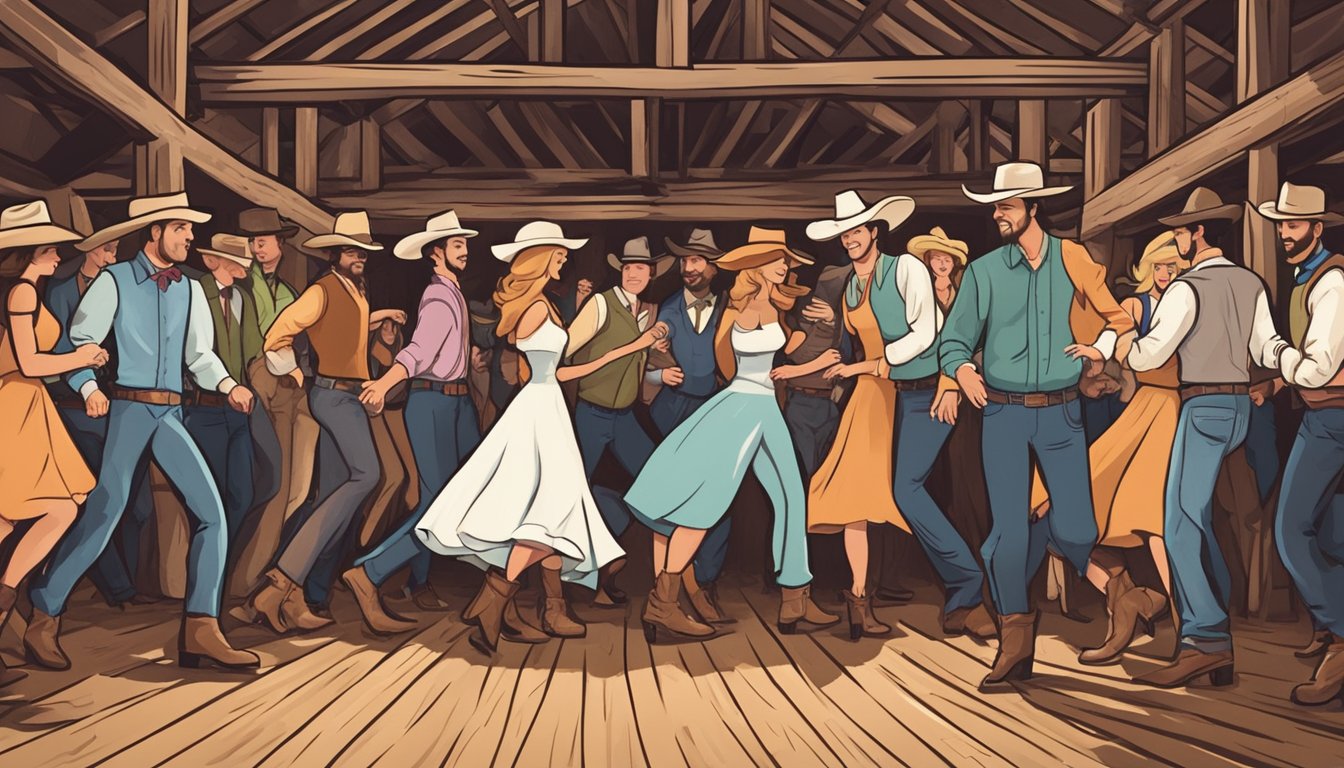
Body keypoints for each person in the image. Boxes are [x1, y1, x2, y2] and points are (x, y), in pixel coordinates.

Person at [27, 192, 260, 672]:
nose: (190, 237)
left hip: (170, 414)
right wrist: (89, 386)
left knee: (212, 514)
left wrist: (229, 384)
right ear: (154, 232)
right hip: (130, 409)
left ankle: (201, 628)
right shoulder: (114, 280)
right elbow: (81, 341)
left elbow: (199, 356)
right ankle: (43, 613)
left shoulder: (191, 288)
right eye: (181, 228)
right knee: (106, 512)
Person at [414, 221, 657, 656]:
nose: (564, 261)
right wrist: (626, 349)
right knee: (548, 514)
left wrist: (621, 352)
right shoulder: (537, 310)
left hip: (547, 406)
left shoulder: (544, 305)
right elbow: (545, 368)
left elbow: (559, 370)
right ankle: (496, 598)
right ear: (540, 259)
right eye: (558, 256)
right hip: (538, 411)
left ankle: (512, 606)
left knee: (551, 510)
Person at [939, 162, 1134, 691]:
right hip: (1001, 412)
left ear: (1033, 207)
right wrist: (961, 371)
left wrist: (1102, 350)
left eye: (1006, 205)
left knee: (1076, 529)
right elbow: (952, 340)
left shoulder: (1073, 260)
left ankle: (1119, 584)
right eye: (995, 206)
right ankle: (1015, 645)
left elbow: (1120, 319)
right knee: (1004, 533)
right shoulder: (982, 271)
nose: (997, 214)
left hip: (1061, 411)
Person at [626, 226, 841, 641]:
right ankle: (663, 604)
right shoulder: (748, 309)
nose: (785, 265)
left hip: (761, 407)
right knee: (704, 504)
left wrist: (818, 340)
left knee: (792, 496)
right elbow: (750, 363)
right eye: (778, 259)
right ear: (756, 265)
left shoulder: (769, 306)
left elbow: (785, 354)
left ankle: (795, 597)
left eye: (786, 260)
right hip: (744, 407)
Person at [806, 193, 994, 642]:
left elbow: (926, 330)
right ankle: (861, 595)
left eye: (858, 230)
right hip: (880, 395)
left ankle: (968, 585)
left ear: (875, 232)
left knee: (907, 489)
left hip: (925, 391)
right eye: (844, 233)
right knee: (863, 491)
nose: (851, 238)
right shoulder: (849, 285)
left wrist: (871, 366)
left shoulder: (905, 268)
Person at [1126, 187, 1287, 689]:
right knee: (1202, 517)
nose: (1175, 244)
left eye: (1180, 233)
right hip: (1240, 406)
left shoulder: (1185, 288)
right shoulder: (1251, 282)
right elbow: (1266, 346)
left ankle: (1206, 641)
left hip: (1203, 406)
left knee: (1178, 522)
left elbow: (1150, 356)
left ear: (1199, 234)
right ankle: (1214, 636)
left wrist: (1121, 344)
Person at [1028, 231, 1191, 664]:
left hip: (1163, 414)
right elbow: (1112, 341)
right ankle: (1126, 598)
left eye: (1173, 268)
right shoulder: (1134, 305)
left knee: (1158, 522)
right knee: (1067, 509)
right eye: (1159, 266)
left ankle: (1184, 625)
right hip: (1137, 408)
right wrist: (1097, 363)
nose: (1165, 275)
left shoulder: (1188, 302)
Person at [242, 211, 406, 634]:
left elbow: (343, 331)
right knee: (367, 476)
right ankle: (280, 582)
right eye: (352, 251)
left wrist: (376, 317)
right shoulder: (322, 290)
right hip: (333, 396)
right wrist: (291, 370)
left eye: (363, 252)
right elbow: (278, 334)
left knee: (332, 495)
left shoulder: (355, 291)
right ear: (334, 254)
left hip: (349, 393)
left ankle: (292, 594)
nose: (360, 258)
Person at [343, 211, 495, 635]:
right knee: (439, 505)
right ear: (436, 253)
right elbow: (418, 351)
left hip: (457, 403)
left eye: (466, 244)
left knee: (464, 494)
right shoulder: (438, 298)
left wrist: (468, 361)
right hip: (434, 405)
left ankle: (420, 579)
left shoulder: (453, 293)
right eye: (457, 245)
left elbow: (443, 352)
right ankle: (371, 574)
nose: (465, 251)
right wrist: (384, 382)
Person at [0, 200, 104, 688]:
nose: (57, 251)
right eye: (48, 245)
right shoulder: (22, 292)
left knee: (16, 516)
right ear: (29, 251)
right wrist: (80, 356)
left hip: (27, 406)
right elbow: (28, 362)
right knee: (57, 509)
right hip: (15, 403)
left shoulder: (31, 290)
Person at [1254, 182, 1344, 705]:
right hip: (1321, 412)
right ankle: (1333, 630)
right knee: (1331, 532)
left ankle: (1341, 633)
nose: (1285, 233)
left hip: (1331, 418)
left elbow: (1318, 366)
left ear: (1317, 227)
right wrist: (1276, 382)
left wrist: (1273, 352)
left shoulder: (1331, 283)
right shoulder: (1308, 278)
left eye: (1294, 225)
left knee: (1290, 531)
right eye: (1281, 224)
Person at [44, 213, 155, 608]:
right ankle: (118, 588)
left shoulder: (123, 286)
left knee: (135, 503)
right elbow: (55, 350)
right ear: (90, 250)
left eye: (115, 249)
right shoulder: (60, 292)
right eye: (107, 248)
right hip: (75, 405)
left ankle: (128, 585)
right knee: (99, 498)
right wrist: (86, 369)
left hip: (121, 404)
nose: (113, 255)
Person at [565, 236, 672, 613]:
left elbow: (644, 370)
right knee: (570, 495)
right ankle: (569, 585)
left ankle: (659, 582)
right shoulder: (600, 304)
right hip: (591, 413)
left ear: (651, 273)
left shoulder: (651, 313)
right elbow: (566, 348)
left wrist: (657, 365)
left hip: (625, 416)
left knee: (658, 484)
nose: (633, 274)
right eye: (627, 268)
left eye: (640, 268)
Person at [642, 227, 734, 624]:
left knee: (717, 502)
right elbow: (643, 365)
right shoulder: (666, 310)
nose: (688, 267)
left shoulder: (731, 307)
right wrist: (658, 372)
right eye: (684, 261)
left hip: (714, 411)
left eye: (696, 260)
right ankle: (671, 591)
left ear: (713, 267)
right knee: (671, 500)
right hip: (673, 412)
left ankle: (705, 583)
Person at [230, 207, 317, 598]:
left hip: (291, 381)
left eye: (263, 240)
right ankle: (245, 582)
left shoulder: (287, 292)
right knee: (274, 482)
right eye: (251, 241)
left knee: (298, 484)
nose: (256, 248)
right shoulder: (241, 286)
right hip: (258, 376)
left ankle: (269, 574)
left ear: (280, 244)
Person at [185, 234, 263, 563]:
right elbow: (196, 353)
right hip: (204, 408)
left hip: (238, 411)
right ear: (211, 261)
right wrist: (229, 386)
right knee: (208, 497)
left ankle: (220, 564)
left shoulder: (241, 298)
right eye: (234, 261)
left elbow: (252, 349)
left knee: (242, 494)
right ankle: (205, 568)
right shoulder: (193, 292)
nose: (242, 268)